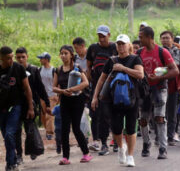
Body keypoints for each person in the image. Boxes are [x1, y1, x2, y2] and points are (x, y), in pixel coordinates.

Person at [91, 34, 144, 167]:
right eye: (119, 44)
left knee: (131, 128)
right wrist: (94, 97)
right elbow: (101, 80)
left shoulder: (135, 59)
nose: (121, 46)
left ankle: (130, 156)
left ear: (128, 45)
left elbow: (140, 74)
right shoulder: (111, 60)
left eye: (123, 44)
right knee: (116, 127)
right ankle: (121, 148)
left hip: (132, 98)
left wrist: (123, 69)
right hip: (113, 99)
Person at [137, 26, 179, 159]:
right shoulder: (139, 53)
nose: (139, 39)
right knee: (143, 119)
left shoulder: (162, 52)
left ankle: (162, 148)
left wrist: (159, 77)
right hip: (144, 90)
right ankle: (146, 144)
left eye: (141, 37)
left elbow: (175, 71)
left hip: (159, 88)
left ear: (149, 37)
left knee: (159, 118)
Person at [0, 46, 35, 171]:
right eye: (8, 58)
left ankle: (10, 163)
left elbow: (27, 89)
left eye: (12, 57)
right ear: (1, 58)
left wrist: (31, 108)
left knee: (10, 134)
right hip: (0, 108)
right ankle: (13, 159)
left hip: (15, 107)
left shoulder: (18, 68)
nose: (11, 60)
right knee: (6, 136)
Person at [53, 45, 92, 165]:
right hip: (64, 100)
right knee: (65, 129)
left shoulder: (77, 68)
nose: (63, 56)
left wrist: (72, 89)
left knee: (76, 128)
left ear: (71, 55)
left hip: (77, 100)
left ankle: (86, 153)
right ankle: (65, 157)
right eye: (62, 53)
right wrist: (63, 91)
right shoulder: (58, 70)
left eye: (66, 53)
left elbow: (85, 83)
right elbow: (54, 87)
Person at [15, 47, 51, 162]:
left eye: (23, 57)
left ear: (27, 57)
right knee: (16, 131)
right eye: (18, 57)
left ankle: (32, 149)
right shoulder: (13, 70)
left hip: (31, 105)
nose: (21, 59)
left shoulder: (34, 70)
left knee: (29, 128)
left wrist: (47, 103)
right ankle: (19, 155)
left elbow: (40, 88)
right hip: (16, 104)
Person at [86, 25, 117, 155]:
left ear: (109, 35)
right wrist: (90, 84)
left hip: (114, 86)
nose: (101, 38)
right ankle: (103, 142)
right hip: (98, 86)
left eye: (103, 36)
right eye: (99, 36)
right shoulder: (93, 48)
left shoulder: (114, 47)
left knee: (115, 114)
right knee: (99, 114)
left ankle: (116, 141)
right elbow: (89, 67)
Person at [160, 31, 180, 146]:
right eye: (163, 38)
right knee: (160, 112)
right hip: (160, 86)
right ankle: (160, 136)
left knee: (172, 112)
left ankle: (170, 136)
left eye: (167, 38)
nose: (165, 40)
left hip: (174, 86)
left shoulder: (179, 53)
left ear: (172, 39)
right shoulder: (158, 52)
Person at [37, 52, 59, 141]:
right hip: (43, 96)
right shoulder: (39, 70)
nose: (40, 60)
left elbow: (58, 83)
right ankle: (48, 130)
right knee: (42, 115)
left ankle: (50, 133)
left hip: (52, 95)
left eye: (41, 58)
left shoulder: (53, 70)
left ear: (46, 59)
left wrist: (57, 95)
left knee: (49, 115)